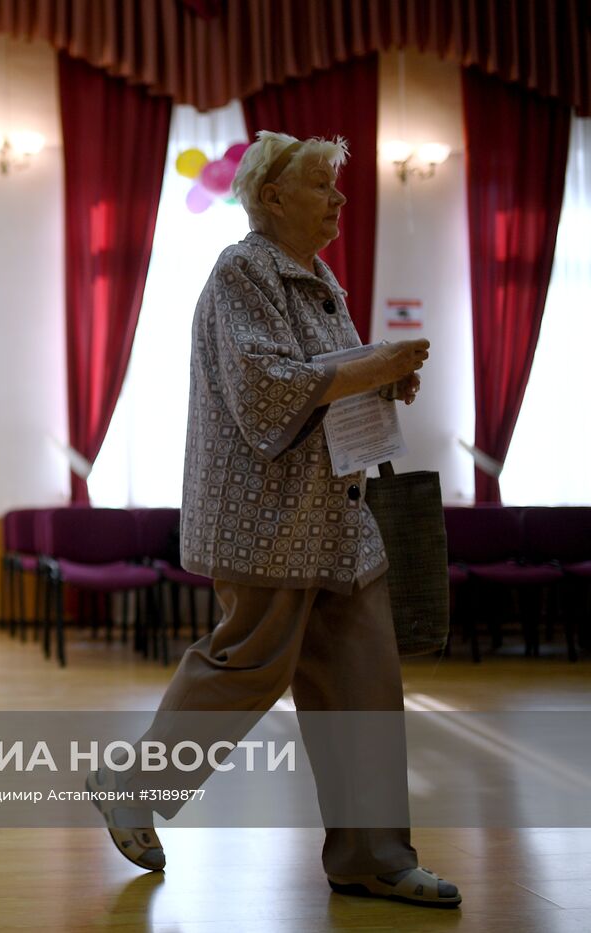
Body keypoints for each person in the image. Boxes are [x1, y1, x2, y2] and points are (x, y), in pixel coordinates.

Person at [86, 131, 461, 909]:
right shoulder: (242, 269)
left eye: (339, 187)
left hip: (338, 519)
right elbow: (264, 390)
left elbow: (325, 387)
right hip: (268, 519)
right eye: (324, 187)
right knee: (248, 666)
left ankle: (374, 856)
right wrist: (372, 363)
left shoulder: (319, 277)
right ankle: (131, 781)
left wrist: (380, 384)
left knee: (364, 683)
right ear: (272, 195)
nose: (339, 201)